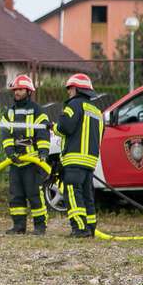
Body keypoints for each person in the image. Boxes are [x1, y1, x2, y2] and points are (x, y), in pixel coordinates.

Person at [53, 72, 104, 238]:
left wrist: (53, 127)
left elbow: (65, 127)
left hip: (74, 159)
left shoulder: (73, 105)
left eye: (69, 88)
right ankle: (90, 228)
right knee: (87, 195)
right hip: (90, 161)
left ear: (76, 89)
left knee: (73, 193)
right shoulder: (97, 111)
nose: (68, 92)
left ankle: (79, 229)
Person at [1, 74, 50, 235]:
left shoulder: (37, 111)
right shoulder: (9, 112)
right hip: (16, 161)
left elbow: (43, 134)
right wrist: (10, 152)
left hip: (32, 162)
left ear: (29, 91)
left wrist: (43, 153)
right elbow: (6, 135)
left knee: (34, 194)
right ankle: (18, 226)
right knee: (16, 195)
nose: (17, 92)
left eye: (21, 89)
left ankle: (40, 226)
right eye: (15, 89)